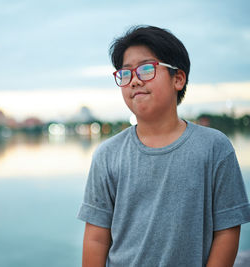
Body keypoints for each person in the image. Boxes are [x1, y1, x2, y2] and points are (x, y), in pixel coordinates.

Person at [77, 25, 250, 267]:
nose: (134, 80)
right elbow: (96, 238)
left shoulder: (214, 147)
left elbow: (227, 230)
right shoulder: (108, 155)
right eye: (126, 74)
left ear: (178, 79)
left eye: (146, 69)